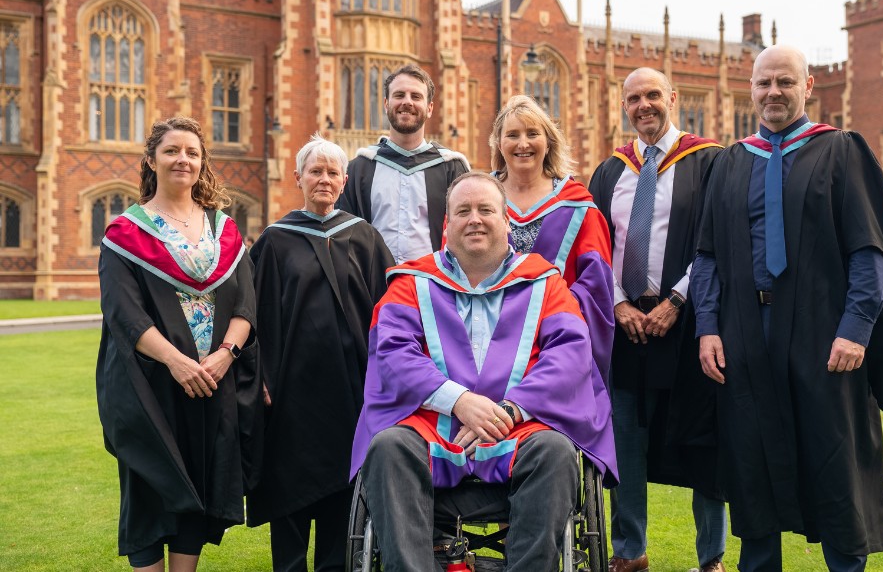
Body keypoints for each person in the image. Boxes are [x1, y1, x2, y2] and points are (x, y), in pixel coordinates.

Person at [692, 45, 883, 572]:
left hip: (823, 333)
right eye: (765, 83)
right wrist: (706, 326)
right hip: (745, 332)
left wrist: (857, 329)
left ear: (808, 86)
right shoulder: (730, 162)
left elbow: (870, 251)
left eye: (785, 82)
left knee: (834, 460)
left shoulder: (841, 151)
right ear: (750, 87)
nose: (773, 93)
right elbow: (707, 256)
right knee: (752, 460)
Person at [350, 172, 617, 571]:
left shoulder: (545, 284)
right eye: (463, 211)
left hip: (519, 430)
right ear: (446, 225)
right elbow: (392, 351)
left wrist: (510, 410)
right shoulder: (411, 283)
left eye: (486, 210)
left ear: (506, 221)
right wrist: (459, 401)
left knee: (556, 453)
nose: (475, 219)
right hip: (431, 429)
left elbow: (571, 353)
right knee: (388, 449)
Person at [96, 116, 259, 572]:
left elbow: (246, 303)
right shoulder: (126, 234)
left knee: (199, 477)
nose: (182, 159)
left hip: (211, 379)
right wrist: (177, 362)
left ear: (202, 161)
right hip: (149, 379)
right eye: (171, 151)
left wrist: (225, 356)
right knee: (148, 483)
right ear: (151, 160)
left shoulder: (225, 231)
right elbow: (124, 314)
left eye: (191, 151)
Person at [588, 67, 727, 572]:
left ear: (672, 98)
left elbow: (717, 241)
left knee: (701, 436)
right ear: (623, 106)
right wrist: (620, 302)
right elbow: (595, 249)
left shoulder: (709, 160)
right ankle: (630, 551)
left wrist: (676, 300)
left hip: (688, 320)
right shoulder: (609, 172)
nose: (644, 105)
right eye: (633, 99)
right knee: (625, 440)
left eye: (652, 96)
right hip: (625, 325)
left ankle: (711, 556)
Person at [246, 134, 393, 571]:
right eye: (315, 171)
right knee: (289, 494)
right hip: (290, 391)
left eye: (332, 172)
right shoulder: (275, 241)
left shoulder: (364, 237)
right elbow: (251, 317)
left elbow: (390, 310)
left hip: (350, 388)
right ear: (298, 178)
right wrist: (261, 379)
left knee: (341, 497)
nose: (324, 179)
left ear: (344, 180)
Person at [489, 94, 615, 395]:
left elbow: (597, 287)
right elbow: (451, 267)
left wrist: (547, 314)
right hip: (483, 341)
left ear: (548, 142)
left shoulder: (579, 206)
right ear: (499, 143)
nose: (523, 144)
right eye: (512, 135)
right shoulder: (476, 198)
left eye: (533, 134)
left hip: (555, 343)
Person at [337, 63, 470, 263]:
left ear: (429, 108)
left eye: (416, 96)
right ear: (386, 104)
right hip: (375, 289)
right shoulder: (359, 169)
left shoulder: (452, 168)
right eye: (399, 95)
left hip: (435, 288)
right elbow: (343, 239)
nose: (407, 102)